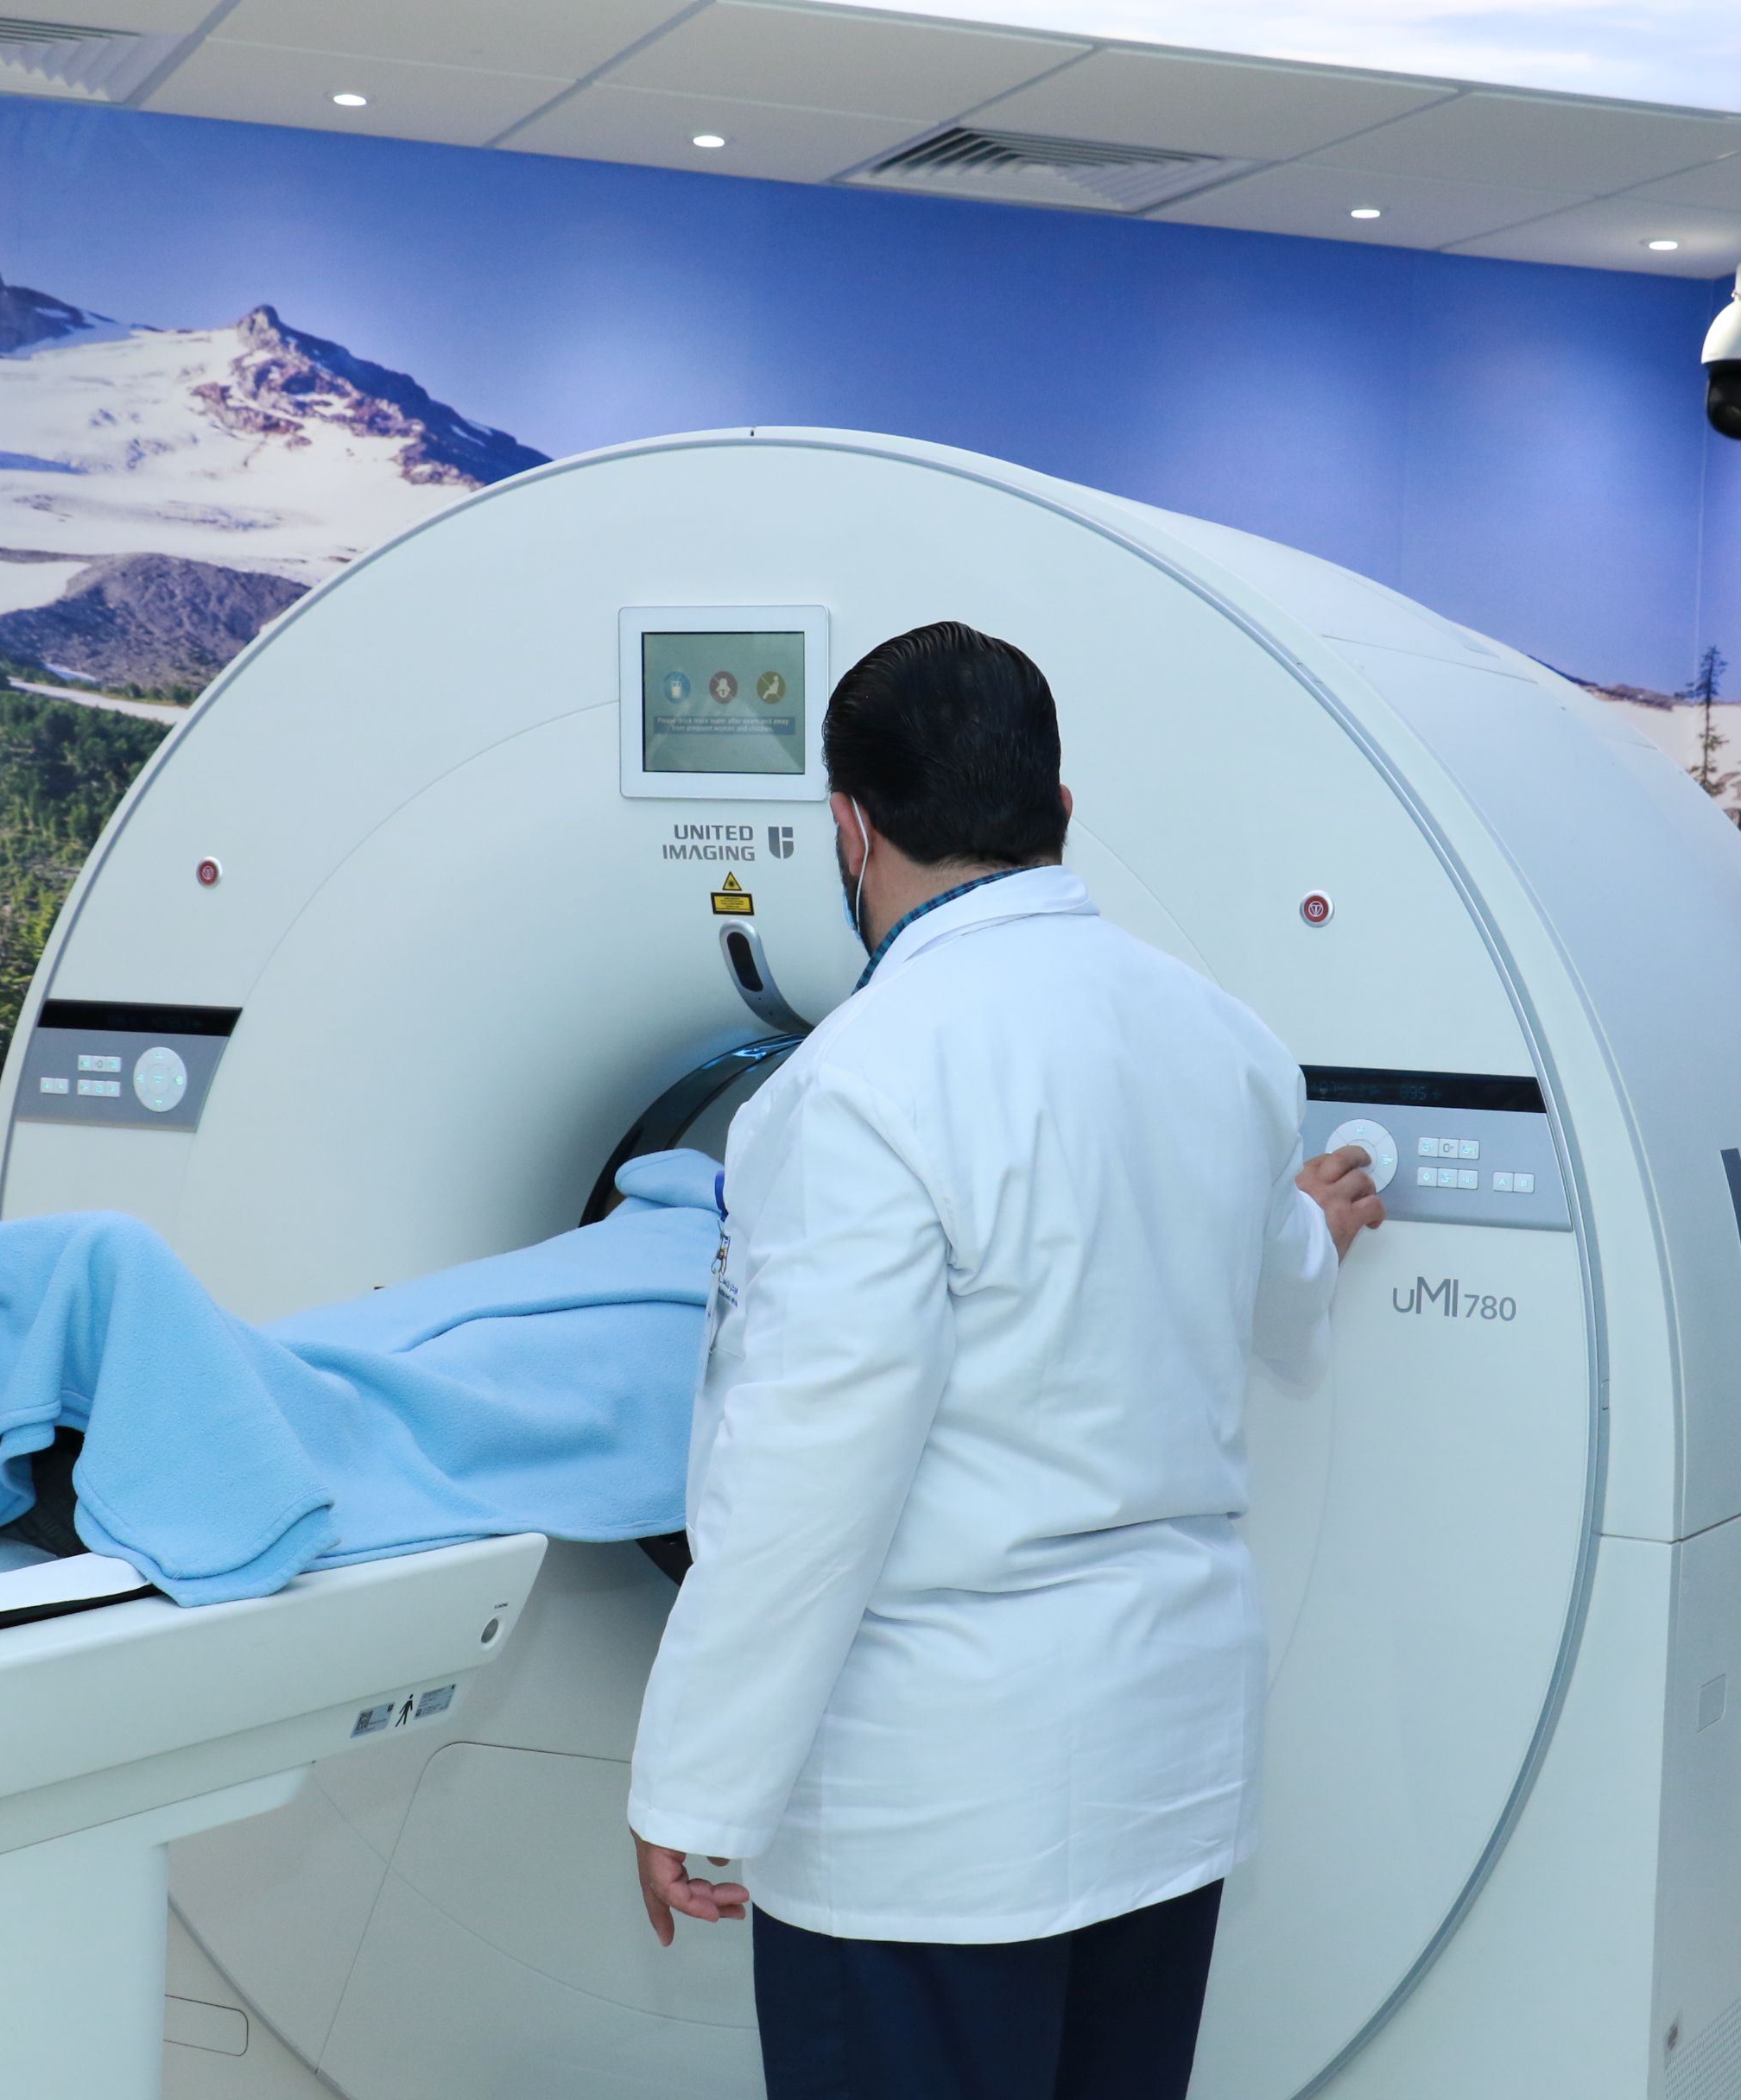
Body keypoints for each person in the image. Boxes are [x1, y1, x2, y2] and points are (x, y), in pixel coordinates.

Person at [624, 621, 1385, 2099]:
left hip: (939, 1813)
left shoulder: (857, 1084)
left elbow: (808, 1481)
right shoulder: (1221, 1038)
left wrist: (695, 1785)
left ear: (850, 828)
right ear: (1061, 809)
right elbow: (1240, 1267)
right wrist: (1314, 1229)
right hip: (1166, 1765)